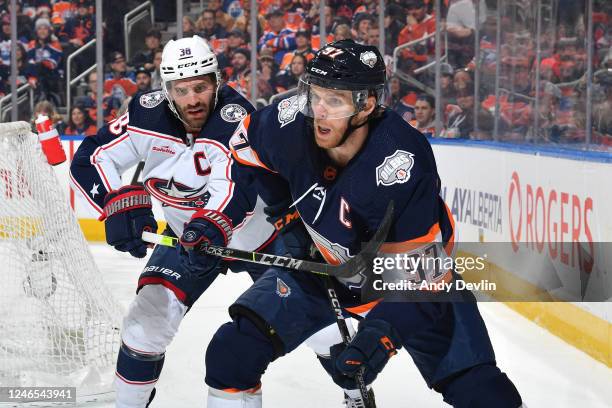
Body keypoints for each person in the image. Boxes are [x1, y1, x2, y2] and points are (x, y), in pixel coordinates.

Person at [181, 40, 523, 408]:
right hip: (321, 266)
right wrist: (287, 216)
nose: (320, 112)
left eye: (336, 100)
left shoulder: (402, 163)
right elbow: (246, 150)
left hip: (406, 278)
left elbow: (425, 274)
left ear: (366, 106)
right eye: (316, 95)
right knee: (231, 354)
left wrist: (381, 335)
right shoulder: (289, 122)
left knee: (478, 388)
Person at [69, 35, 279, 408]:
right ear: (167, 90)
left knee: (320, 328)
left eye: (201, 87)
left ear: (217, 81)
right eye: (182, 90)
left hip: (259, 238)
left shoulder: (238, 118)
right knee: (142, 326)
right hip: (185, 237)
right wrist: (117, 203)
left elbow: (234, 188)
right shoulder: (145, 115)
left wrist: (210, 226)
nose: (193, 99)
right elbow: (92, 158)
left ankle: (353, 392)